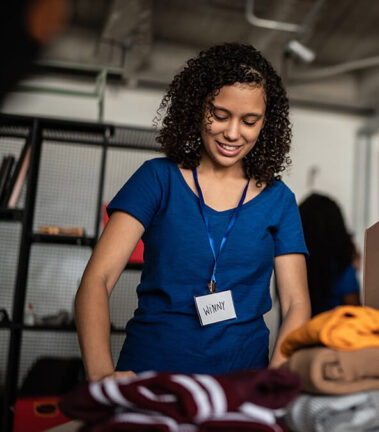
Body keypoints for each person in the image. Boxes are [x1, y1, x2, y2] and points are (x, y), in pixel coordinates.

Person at [75, 43, 310, 381]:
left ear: (266, 123)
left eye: (249, 121)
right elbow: (97, 280)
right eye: (220, 115)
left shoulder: (280, 201)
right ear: (197, 106)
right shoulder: (157, 179)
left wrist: (273, 382)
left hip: (239, 385)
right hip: (149, 377)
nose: (233, 133)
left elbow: (296, 304)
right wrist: (101, 376)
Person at [298, 193, 361, 316]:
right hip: (332, 327)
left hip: (298, 328)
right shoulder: (340, 266)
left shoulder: (294, 266)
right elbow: (356, 313)